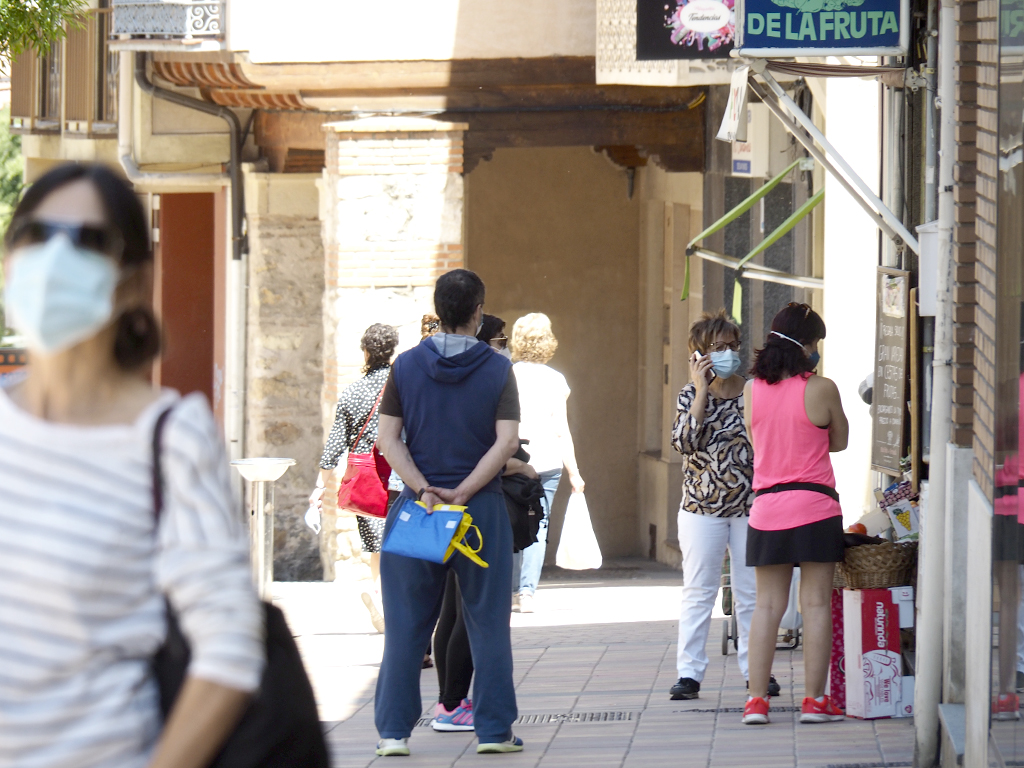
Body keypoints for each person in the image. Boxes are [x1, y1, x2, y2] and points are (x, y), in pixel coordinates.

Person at [0, 163, 264, 768]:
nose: (54, 261)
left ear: (133, 280)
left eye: (88, 241)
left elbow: (230, 647)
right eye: (36, 236)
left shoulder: (169, 438)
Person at [374, 270, 523, 756]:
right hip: (478, 511)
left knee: (405, 626)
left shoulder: (404, 366)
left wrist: (423, 488)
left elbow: (387, 438)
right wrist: (463, 490)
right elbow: (507, 442)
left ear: (438, 311)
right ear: (479, 311)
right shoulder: (500, 368)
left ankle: (394, 734)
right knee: (487, 622)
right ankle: (495, 733)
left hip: (418, 510)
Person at [741, 302, 849, 726]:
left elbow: (758, 442)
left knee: (767, 606)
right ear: (805, 345)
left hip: (766, 507)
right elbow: (838, 441)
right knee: (816, 603)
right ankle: (814, 702)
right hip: (816, 504)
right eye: (815, 343)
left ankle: (755, 702)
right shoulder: (821, 388)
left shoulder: (753, 390)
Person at [669, 310, 779, 701]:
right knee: (699, 591)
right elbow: (684, 442)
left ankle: (758, 672)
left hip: (751, 506)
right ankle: (689, 674)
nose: (729, 353)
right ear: (699, 354)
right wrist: (701, 390)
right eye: (719, 347)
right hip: (702, 509)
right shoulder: (688, 395)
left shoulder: (755, 391)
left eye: (733, 345)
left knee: (752, 593)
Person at [311, 323, 399, 634]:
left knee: (376, 548)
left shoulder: (352, 393)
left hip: (367, 482)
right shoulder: (402, 386)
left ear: (365, 352)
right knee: (399, 543)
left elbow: (335, 444)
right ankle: (393, 601)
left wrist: (320, 486)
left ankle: (380, 597)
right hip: (401, 474)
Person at [509, 313, 585, 613]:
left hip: (515, 463)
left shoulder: (507, 375)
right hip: (549, 464)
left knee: (513, 523)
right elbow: (561, 429)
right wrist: (574, 472)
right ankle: (528, 593)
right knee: (538, 525)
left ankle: (514, 589)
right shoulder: (556, 380)